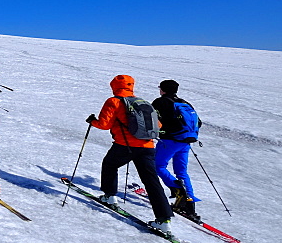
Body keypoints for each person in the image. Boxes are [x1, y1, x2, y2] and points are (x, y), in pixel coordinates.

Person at [86, 75, 174, 234]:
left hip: (125, 145)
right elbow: (158, 124)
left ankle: (110, 196)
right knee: (151, 181)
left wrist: (92, 121)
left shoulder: (114, 101)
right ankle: (164, 219)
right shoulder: (143, 102)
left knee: (110, 165)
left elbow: (104, 125)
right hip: (147, 146)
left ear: (114, 86)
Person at [153, 79, 202, 221]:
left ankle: (178, 190)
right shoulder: (185, 103)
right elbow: (198, 122)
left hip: (170, 141)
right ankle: (189, 205)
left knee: (158, 166)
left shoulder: (160, 102)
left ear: (162, 89)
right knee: (181, 172)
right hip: (186, 142)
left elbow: (151, 119)